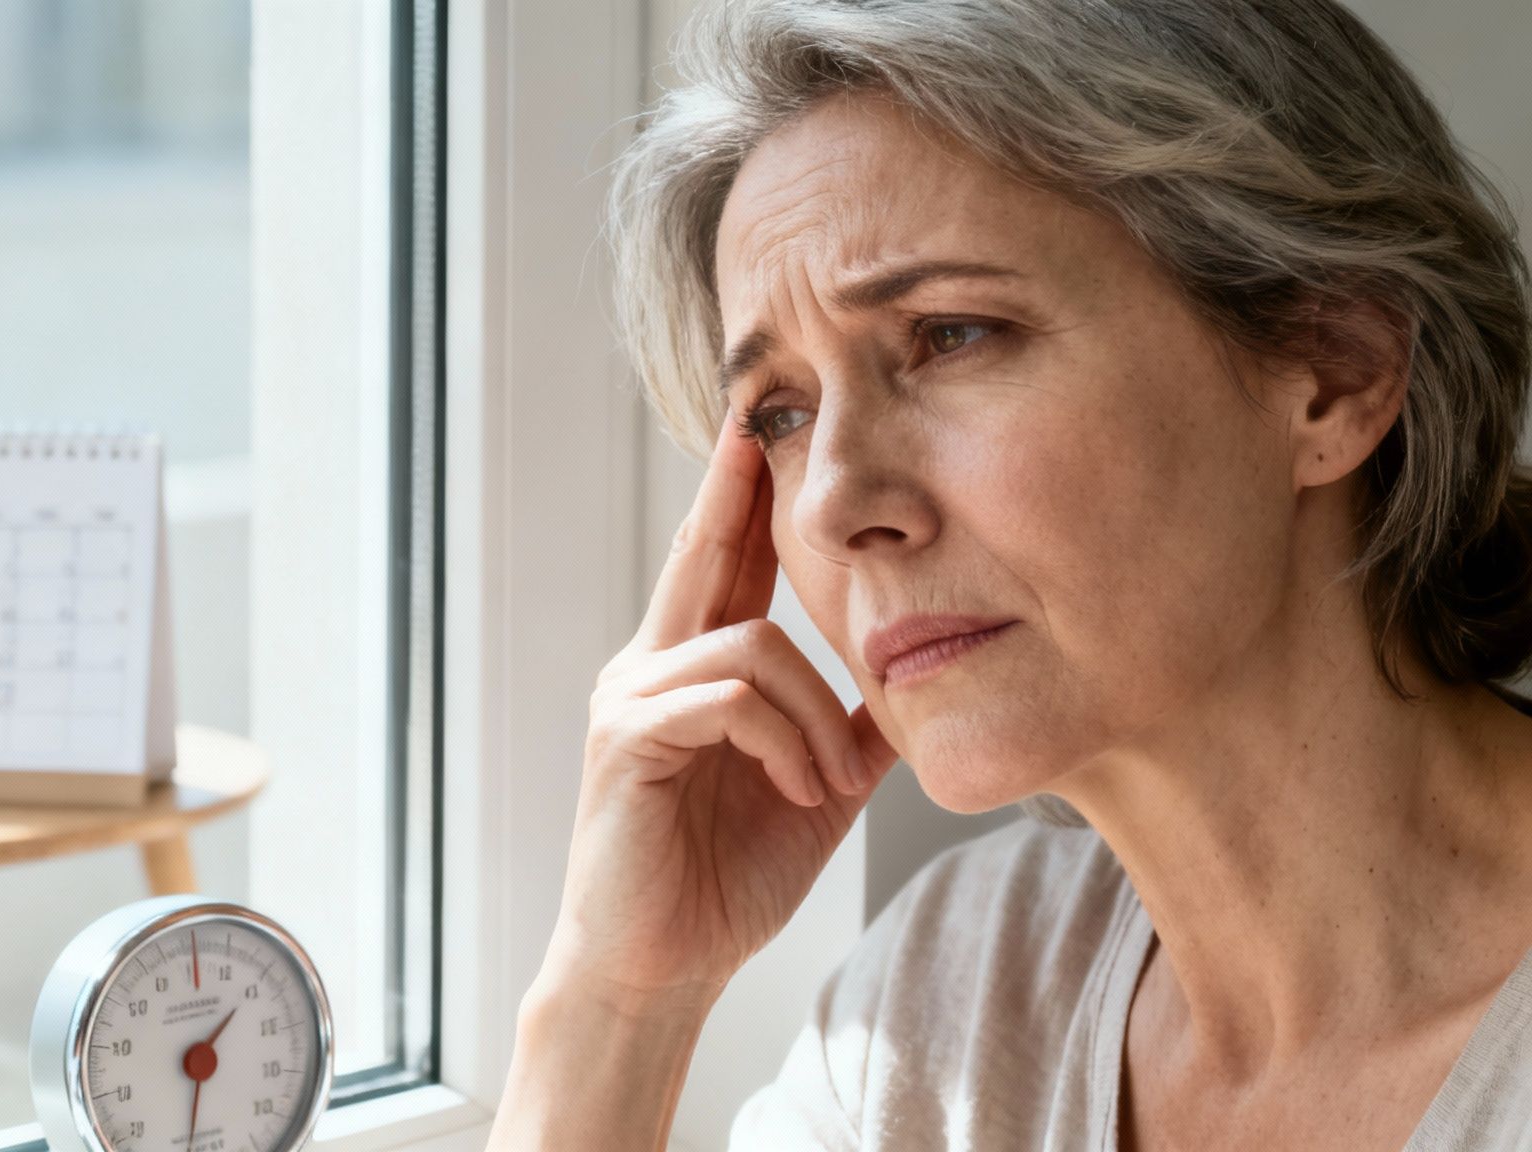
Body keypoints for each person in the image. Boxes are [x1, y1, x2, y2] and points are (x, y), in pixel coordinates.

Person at [484, 0, 1532, 1148]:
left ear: (1332, 371)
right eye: (780, 413)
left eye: (949, 335)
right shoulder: (947, 996)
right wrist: (619, 999)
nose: (829, 505)